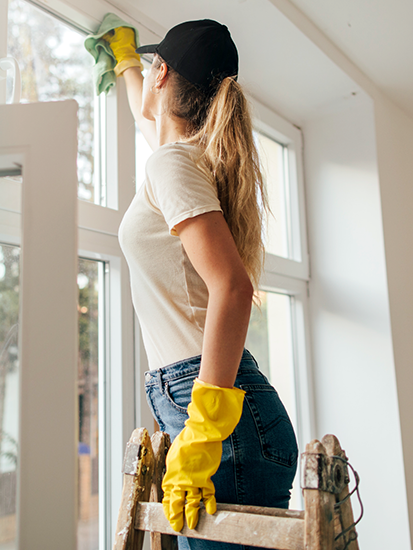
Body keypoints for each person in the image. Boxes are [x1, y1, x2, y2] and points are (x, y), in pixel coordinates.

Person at [105, 19, 300, 550]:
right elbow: (150, 122)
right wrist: (124, 62)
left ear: (162, 73)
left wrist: (203, 433)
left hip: (220, 419)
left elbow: (233, 288)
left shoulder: (173, 163)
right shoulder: (183, 158)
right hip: (232, 415)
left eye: (147, 66)